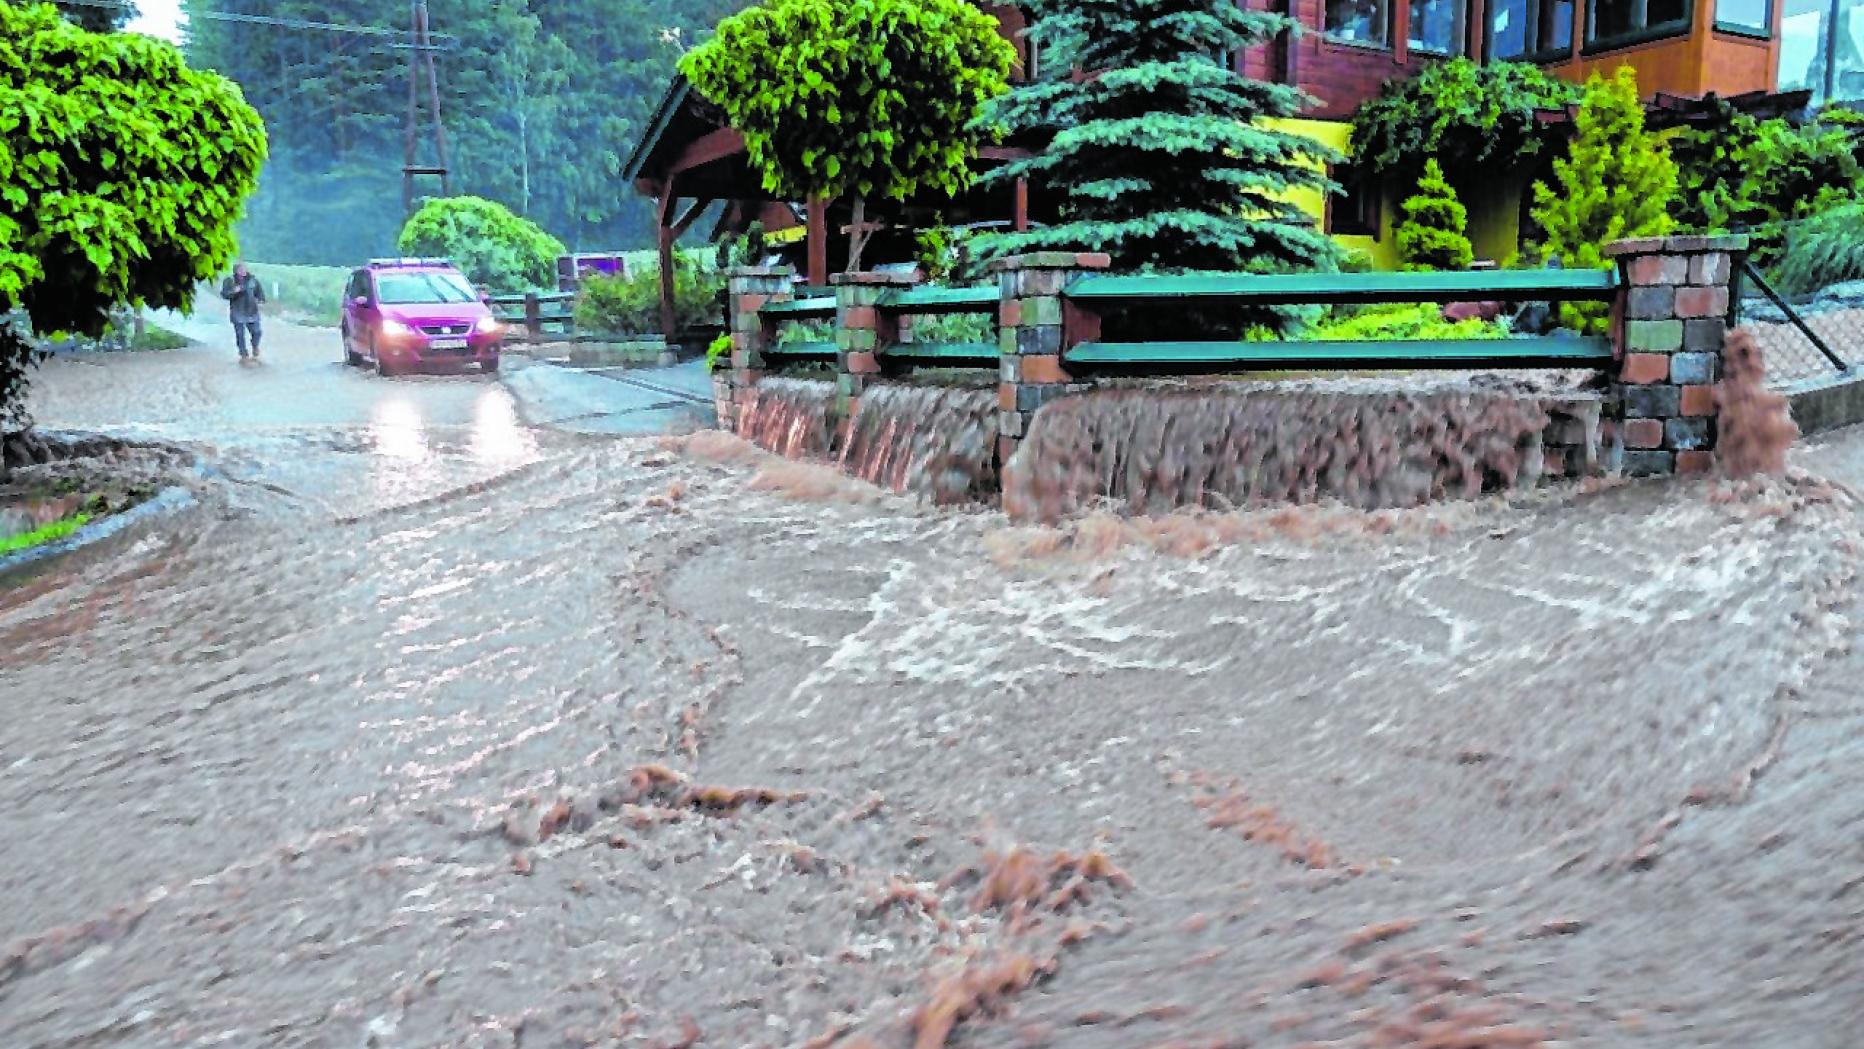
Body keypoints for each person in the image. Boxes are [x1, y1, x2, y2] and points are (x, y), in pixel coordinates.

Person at [219, 262, 266, 363]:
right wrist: (234, 291)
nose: (243, 271)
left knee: (257, 332)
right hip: (237, 311)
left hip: (252, 311)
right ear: (236, 271)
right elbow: (224, 294)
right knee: (240, 335)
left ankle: (255, 346)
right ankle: (243, 354)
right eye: (240, 269)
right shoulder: (230, 281)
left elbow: (260, 293)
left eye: (244, 269)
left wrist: (261, 301)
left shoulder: (253, 280)